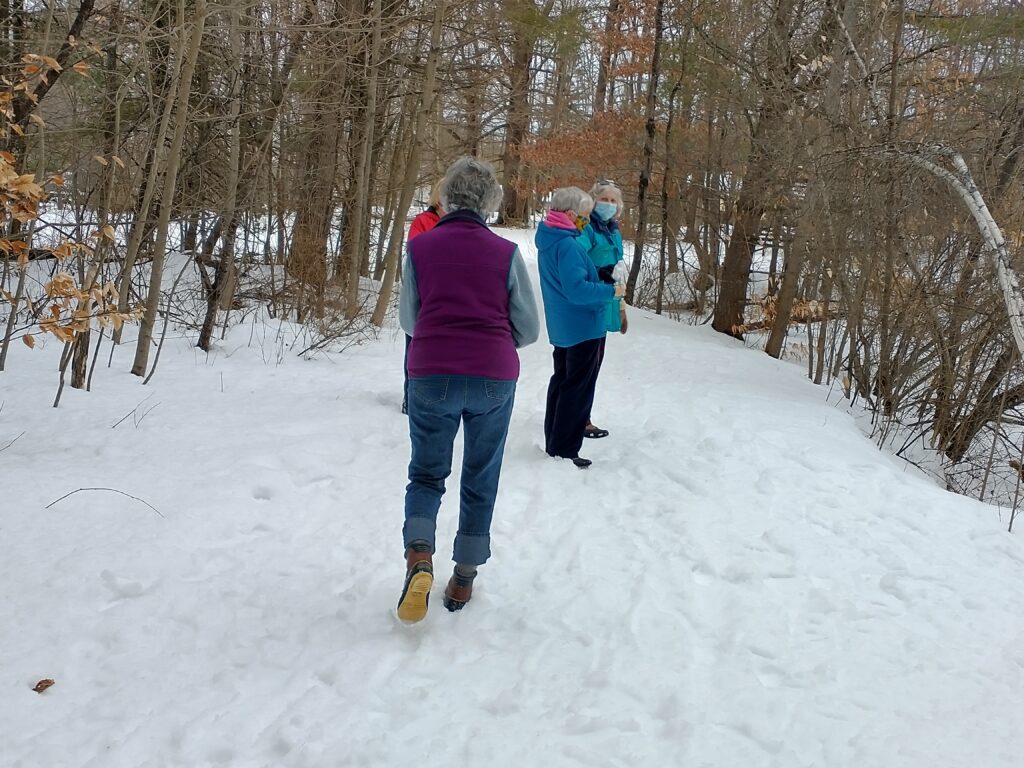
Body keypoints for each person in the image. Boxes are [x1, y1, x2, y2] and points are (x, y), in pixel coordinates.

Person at [397, 157, 540, 623]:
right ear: (490, 201)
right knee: (482, 475)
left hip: (432, 371)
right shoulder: (505, 254)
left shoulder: (419, 249)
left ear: (447, 194)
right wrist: (495, 340)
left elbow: (409, 321)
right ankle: (464, 575)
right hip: (493, 377)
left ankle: (420, 556)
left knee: (426, 474)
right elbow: (529, 328)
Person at [536, 187, 624, 469]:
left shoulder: (551, 239)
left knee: (562, 382)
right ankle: (566, 449)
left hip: (563, 326)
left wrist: (599, 274)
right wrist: (609, 291)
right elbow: (576, 291)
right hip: (582, 326)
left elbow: (571, 279)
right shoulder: (569, 245)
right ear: (572, 215)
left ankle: (556, 442)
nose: (586, 222)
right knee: (577, 388)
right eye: (584, 217)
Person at [579, 179, 627, 440]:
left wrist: (620, 308)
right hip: (589, 300)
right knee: (584, 362)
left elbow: (617, 265)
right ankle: (580, 418)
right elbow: (578, 262)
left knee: (596, 361)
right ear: (593, 201)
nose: (608, 205)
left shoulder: (613, 231)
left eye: (613, 201)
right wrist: (601, 273)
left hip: (608, 300)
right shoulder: (586, 229)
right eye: (604, 199)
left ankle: (582, 413)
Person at [401, 184, 444, 415]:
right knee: (413, 346)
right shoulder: (423, 221)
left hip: (444, 294)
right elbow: (414, 253)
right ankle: (410, 397)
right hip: (422, 293)